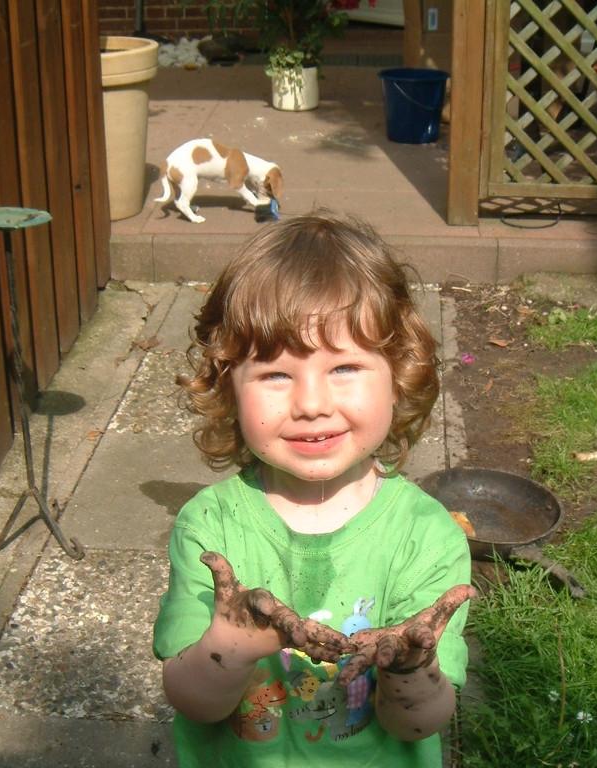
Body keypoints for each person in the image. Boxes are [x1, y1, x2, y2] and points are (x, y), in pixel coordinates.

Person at [153, 213, 475, 767]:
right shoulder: (211, 528)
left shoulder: (426, 538)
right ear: (228, 388)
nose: (310, 403)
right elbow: (193, 703)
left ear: (399, 377)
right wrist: (232, 644)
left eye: (345, 367)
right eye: (276, 375)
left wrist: (407, 668)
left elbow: (418, 723)